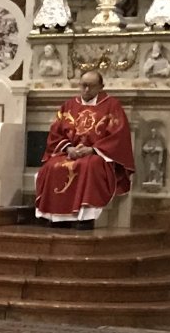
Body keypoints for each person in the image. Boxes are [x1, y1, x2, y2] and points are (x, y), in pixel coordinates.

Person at [34, 70, 133, 228]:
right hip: (70, 152)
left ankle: (86, 218)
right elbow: (55, 133)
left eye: (91, 86)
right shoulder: (69, 105)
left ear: (101, 87)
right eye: (83, 85)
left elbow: (118, 136)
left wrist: (92, 150)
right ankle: (57, 217)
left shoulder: (111, 105)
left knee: (90, 166)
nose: (86, 90)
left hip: (97, 154)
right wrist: (69, 149)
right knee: (52, 167)